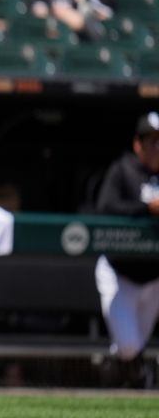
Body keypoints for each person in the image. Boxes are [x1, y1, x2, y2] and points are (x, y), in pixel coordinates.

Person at [94, 111, 159, 389]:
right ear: (138, 144)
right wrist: (147, 209)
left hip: (154, 278)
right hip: (120, 271)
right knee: (131, 346)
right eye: (151, 141)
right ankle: (120, 371)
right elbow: (106, 208)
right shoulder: (123, 170)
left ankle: (122, 381)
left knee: (134, 346)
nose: (156, 147)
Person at [31, 0, 116, 41]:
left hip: (90, 38)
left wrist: (81, 2)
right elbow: (39, 9)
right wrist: (56, 13)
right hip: (55, 33)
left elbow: (107, 14)